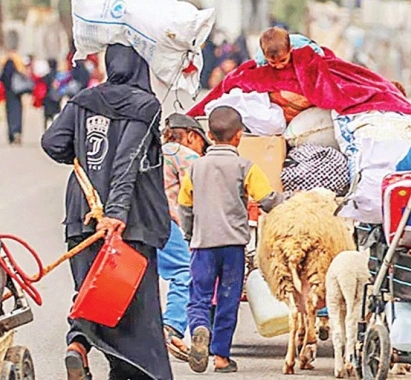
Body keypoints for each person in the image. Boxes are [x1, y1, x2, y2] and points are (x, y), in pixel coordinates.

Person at [41, 43, 172, 380]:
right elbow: (127, 160)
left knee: (90, 290)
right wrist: (115, 213)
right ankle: (135, 372)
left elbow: (53, 142)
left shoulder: (83, 100)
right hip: (127, 222)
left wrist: (84, 151)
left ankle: (78, 346)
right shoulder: (145, 105)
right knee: (130, 302)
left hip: (81, 213)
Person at [178, 106, 286, 374]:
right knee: (228, 299)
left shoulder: (196, 167)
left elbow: (184, 206)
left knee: (199, 297)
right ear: (239, 136)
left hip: (203, 245)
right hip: (233, 247)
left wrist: (191, 234)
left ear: (208, 135)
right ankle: (221, 357)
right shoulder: (245, 166)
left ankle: (200, 328)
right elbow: (267, 200)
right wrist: (293, 201)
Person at [159, 113, 210, 361]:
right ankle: (172, 328)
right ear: (191, 135)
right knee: (184, 272)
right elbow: (196, 199)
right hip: (168, 225)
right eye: (201, 142)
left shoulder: (154, 151)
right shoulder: (187, 156)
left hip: (139, 223)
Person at [255, 26, 324, 69]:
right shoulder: (261, 58)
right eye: (273, 62)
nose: (279, 66)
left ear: (290, 48)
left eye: (283, 60)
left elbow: (320, 53)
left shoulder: (302, 46)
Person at [1, 50, 26, 145]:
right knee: (18, 114)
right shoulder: (18, 72)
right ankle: (17, 132)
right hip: (17, 96)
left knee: (10, 115)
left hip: (8, 95)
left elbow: (0, 79)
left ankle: (11, 134)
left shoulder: (5, 73)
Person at [42, 58, 62, 130]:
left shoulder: (46, 76)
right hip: (56, 98)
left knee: (47, 116)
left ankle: (47, 130)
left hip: (48, 98)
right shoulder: (59, 75)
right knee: (56, 115)